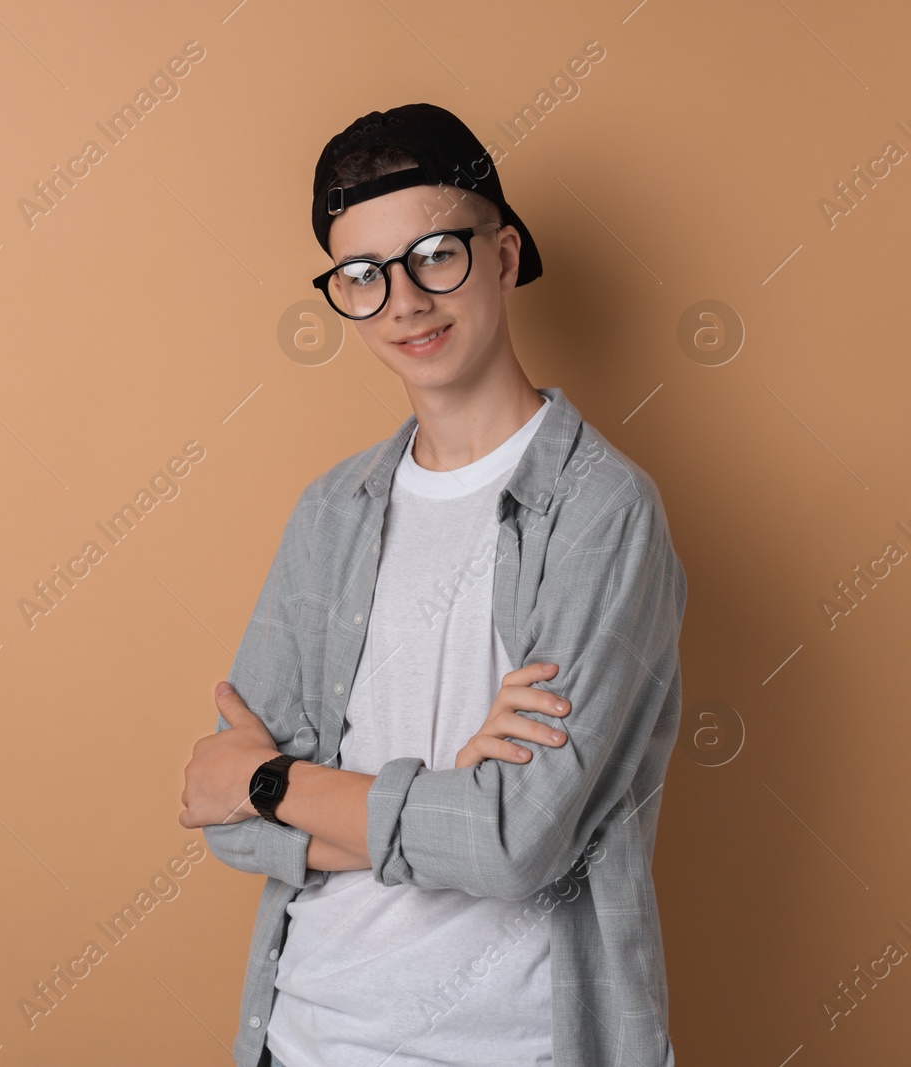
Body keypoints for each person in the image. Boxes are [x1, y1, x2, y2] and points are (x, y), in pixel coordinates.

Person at [178, 103, 688, 1067]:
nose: (404, 301)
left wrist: (277, 783)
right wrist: (451, 796)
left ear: (501, 255)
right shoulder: (330, 510)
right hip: (304, 1035)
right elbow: (231, 829)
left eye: (434, 255)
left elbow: (513, 846)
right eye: (362, 276)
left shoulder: (603, 512)